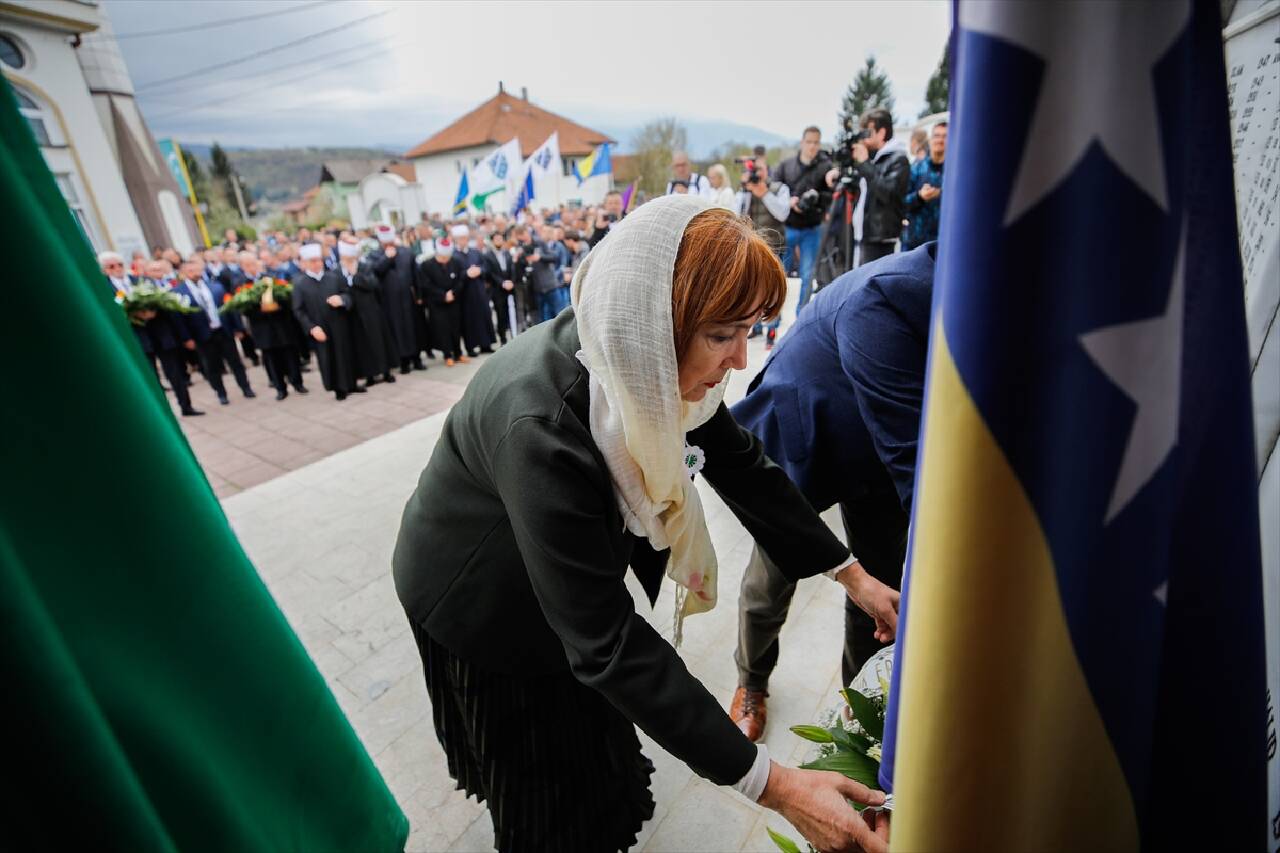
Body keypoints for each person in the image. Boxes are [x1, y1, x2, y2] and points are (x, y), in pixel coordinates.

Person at [392, 197, 895, 853]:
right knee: (544, 787)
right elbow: (605, 642)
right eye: (723, 334)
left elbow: (743, 465)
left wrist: (852, 575)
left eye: (751, 330)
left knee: (594, 752)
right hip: (482, 594)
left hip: (563, 596)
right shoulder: (542, 428)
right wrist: (781, 787)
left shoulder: (644, 359)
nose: (740, 361)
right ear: (658, 321)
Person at [727, 244, 933, 744]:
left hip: (876, 454)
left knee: (878, 585)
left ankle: (861, 705)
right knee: (772, 576)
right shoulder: (884, 296)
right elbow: (914, 467)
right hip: (809, 434)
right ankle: (751, 683)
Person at [101, 251, 202, 417]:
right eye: (112, 266)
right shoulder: (106, 289)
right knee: (151, 377)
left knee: (175, 373)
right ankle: (163, 412)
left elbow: (163, 301)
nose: (117, 268)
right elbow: (111, 312)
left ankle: (186, 406)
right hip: (139, 338)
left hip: (160, 334)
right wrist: (132, 315)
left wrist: (152, 311)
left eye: (120, 265)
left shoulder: (143, 281)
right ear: (106, 270)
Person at [173, 257, 256, 406]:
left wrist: (238, 327)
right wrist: (186, 338)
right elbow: (179, 319)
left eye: (197, 269)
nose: (195, 273)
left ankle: (245, 387)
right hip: (202, 335)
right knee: (212, 366)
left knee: (235, 362)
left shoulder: (215, 286)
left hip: (223, 331)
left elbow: (230, 308)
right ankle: (221, 393)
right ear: (184, 273)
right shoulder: (179, 292)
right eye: (191, 270)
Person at [835, 108, 910, 267]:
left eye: (867, 134)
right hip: (863, 234)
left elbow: (887, 192)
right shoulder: (874, 159)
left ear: (881, 133)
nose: (864, 140)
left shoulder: (898, 159)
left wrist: (864, 163)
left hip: (880, 239)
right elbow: (862, 188)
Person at [775, 126, 833, 314]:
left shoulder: (825, 167)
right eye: (809, 142)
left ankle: (802, 316)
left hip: (812, 227)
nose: (812, 146)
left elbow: (831, 194)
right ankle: (772, 319)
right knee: (778, 274)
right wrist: (788, 201)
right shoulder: (786, 166)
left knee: (808, 275)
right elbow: (774, 187)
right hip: (788, 227)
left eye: (816, 142)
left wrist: (816, 199)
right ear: (802, 142)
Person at [293, 242, 361, 400]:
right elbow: (298, 310)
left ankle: (352, 383)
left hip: (340, 324)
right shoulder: (300, 284)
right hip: (320, 329)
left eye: (318, 260)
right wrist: (311, 328)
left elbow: (348, 294)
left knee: (346, 354)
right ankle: (338, 388)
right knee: (329, 358)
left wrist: (342, 300)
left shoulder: (333, 277)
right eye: (312, 261)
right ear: (305, 263)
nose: (317, 264)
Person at [735, 159, 790, 349]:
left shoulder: (779, 188)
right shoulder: (747, 189)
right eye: (753, 170)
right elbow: (738, 214)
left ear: (767, 170)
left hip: (775, 246)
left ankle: (772, 330)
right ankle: (755, 326)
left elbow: (782, 213)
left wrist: (764, 193)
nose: (757, 174)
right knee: (753, 288)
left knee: (774, 291)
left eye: (760, 169)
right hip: (754, 246)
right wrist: (745, 189)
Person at [241, 254, 307, 401]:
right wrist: (260, 310)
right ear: (244, 267)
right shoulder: (242, 284)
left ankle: (297, 382)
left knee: (290, 355)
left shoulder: (271, 278)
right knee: (272, 360)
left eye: (254, 263)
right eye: (249, 265)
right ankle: (280, 388)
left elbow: (286, 297)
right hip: (262, 328)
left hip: (281, 324)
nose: (252, 267)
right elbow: (243, 308)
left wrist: (278, 306)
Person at [369, 225, 428, 373]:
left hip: (409, 299)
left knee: (413, 328)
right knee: (397, 330)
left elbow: (416, 276)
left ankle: (417, 358)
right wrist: (387, 258)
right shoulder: (375, 255)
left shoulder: (406, 252)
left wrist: (419, 296)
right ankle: (403, 361)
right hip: (390, 301)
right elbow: (376, 272)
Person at [343, 241, 399, 388]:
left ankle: (386, 371)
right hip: (355, 315)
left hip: (371, 312)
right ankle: (370, 375)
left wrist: (355, 275)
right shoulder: (339, 271)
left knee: (379, 343)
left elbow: (372, 284)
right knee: (363, 347)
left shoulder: (365, 266)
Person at [418, 238, 467, 366]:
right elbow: (426, 284)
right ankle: (447, 354)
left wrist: (453, 293)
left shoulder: (455, 262)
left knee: (456, 328)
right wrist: (442, 295)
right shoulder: (427, 265)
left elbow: (461, 280)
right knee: (443, 329)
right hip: (437, 303)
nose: (446, 260)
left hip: (454, 300)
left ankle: (458, 353)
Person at [451, 224, 496, 356]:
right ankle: (471, 347)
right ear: (456, 240)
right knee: (469, 320)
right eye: (460, 238)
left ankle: (486, 344)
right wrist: (466, 274)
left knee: (484, 316)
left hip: (479, 290)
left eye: (465, 238)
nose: (463, 241)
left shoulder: (475, 252)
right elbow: (454, 274)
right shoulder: (454, 256)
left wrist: (479, 270)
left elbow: (486, 267)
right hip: (465, 293)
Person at [902, 121, 946, 251]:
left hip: (943, 244)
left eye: (945, 136)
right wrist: (920, 196)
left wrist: (941, 193)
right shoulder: (916, 168)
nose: (940, 140)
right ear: (930, 139)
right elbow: (902, 203)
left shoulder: (956, 172)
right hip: (915, 244)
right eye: (937, 136)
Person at [482, 228, 518, 343]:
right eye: (496, 239)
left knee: (511, 312)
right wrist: (502, 283)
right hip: (497, 289)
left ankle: (514, 335)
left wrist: (511, 281)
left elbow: (512, 268)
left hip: (510, 287)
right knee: (500, 314)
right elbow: (490, 273)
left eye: (500, 239)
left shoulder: (507, 253)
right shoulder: (488, 255)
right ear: (492, 241)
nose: (499, 241)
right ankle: (503, 339)